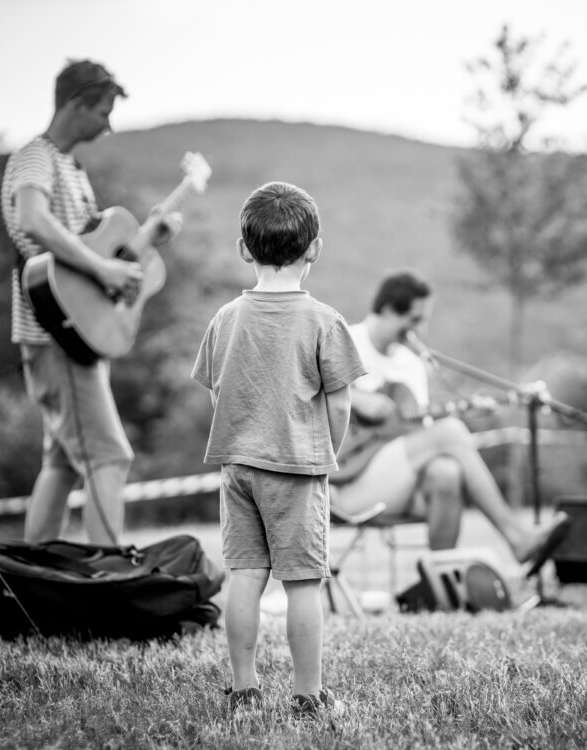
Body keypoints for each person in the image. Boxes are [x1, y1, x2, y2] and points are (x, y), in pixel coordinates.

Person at [191, 182, 366, 716]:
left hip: (237, 467)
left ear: (244, 249)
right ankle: (309, 696)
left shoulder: (225, 318)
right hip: (296, 469)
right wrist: (325, 451)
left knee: (245, 576)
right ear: (315, 249)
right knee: (303, 585)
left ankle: (243, 689)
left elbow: (217, 390)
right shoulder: (324, 321)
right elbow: (340, 403)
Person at [1, 60, 182, 545]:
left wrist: (144, 242)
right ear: (76, 104)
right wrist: (103, 269)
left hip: (74, 336)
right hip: (56, 335)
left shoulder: (71, 168)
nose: (108, 124)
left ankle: (33, 573)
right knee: (110, 457)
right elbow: (34, 220)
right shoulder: (35, 157)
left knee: (61, 463)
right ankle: (108, 574)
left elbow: (90, 250)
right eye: (103, 112)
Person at [331, 268, 571, 576]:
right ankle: (516, 537)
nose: (420, 330)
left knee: (446, 472)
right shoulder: (344, 341)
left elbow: (420, 436)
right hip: (344, 482)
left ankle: (441, 581)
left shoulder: (410, 365)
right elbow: (306, 396)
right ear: (389, 310)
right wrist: (356, 398)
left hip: (392, 482)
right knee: (452, 432)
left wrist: (464, 411)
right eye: (415, 320)